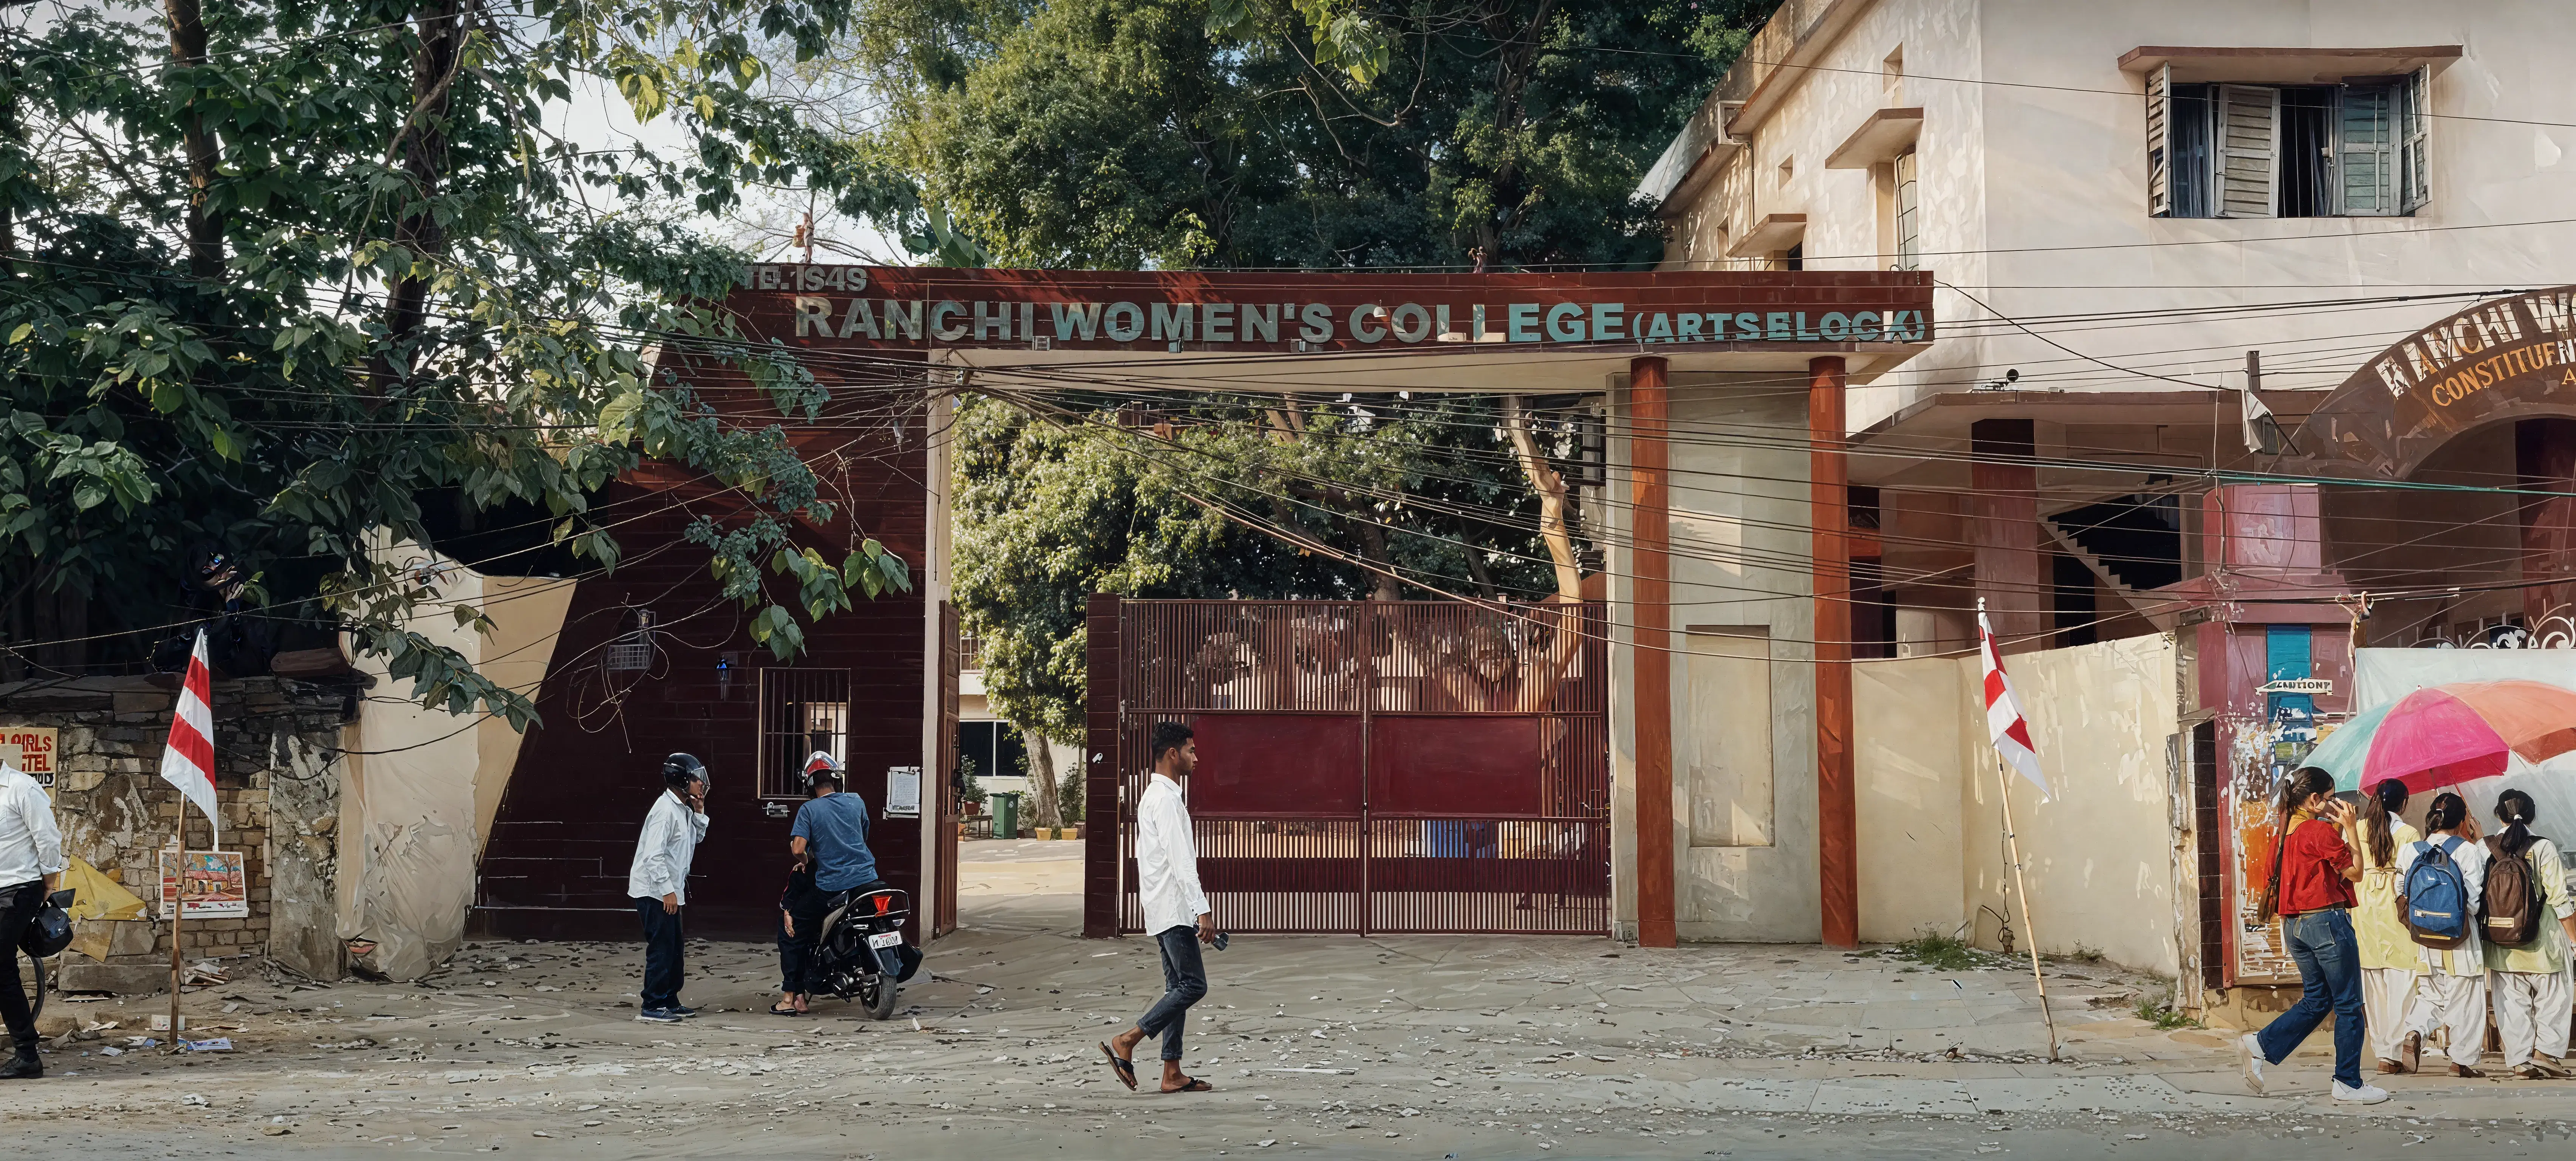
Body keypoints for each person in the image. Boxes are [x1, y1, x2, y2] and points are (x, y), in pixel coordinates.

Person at [2237, 767, 2387, 1103]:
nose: (2335, 804)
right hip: (2326, 923)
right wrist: (2350, 828)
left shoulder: (2280, 838)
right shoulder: (2319, 833)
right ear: (2316, 799)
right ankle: (2348, 1082)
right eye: (2331, 798)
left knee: (2318, 1000)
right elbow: (2357, 873)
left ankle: (2260, 1044)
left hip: (2294, 926)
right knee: (2349, 1005)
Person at [1101, 721, 1217, 1095]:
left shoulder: (1154, 795)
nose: (1196, 758)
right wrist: (1203, 910)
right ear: (1173, 754)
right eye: (1191, 751)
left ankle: (1172, 1073)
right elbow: (1181, 861)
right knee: (1193, 985)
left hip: (1161, 907)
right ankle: (1129, 1040)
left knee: (1176, 988)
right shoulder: (1166, 799)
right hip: (1174, 908)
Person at [2482, 789, 2576, 1079]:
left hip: (2501, 944)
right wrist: (2574, 938)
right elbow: (2561, 900)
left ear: (2498, 815)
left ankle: (2521, 1062)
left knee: (2511, 1002)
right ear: (2532, 816)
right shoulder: (2544, 847)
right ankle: (2546, 1053)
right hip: (2542, 940)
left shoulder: (2484, 848)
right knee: (2555, 996)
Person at [2396, 791, 2490, 1077]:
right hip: (2460, 940)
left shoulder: (2411, 850)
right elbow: (2473, 904)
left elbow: (2401, 892)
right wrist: (2480, 842)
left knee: (2431, 996)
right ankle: (2461, 1062)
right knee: (2467, 1000)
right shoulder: (2468, 851)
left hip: (2426, 938)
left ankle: (2414, 1032)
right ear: (2463, 821)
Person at [627, 753, 710, 1023]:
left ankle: (670, 999)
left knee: (675, 949)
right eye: (697, 778)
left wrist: (699, 812)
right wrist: (667, 891)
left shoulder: (682, 808)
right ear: (682, 780)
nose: (701, 784)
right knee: (662, 947)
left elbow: (694, 840)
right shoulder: (665, 811)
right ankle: (653, 1003)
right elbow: (653, 856)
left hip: (671, 889)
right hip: (655, 891)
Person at [0, 760, 64, 1081]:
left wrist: (49, 882)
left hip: (17, 888)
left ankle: (27, 1055)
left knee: (1, 965)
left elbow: (48, 838)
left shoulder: (21, 787)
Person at [2353, 779, 2422, 1074]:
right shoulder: (2408, 833)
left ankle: (2383, 1053)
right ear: (2403, 804)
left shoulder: (2357, 829)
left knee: (2372, 980)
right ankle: (2396, 1049)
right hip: (2394, 904)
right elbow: (2412, 874)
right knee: (2403, 980)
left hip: (2364, 904)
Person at [772, 760, 836, 1017]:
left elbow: (799, 850)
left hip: (828, 889)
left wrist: (804, 861)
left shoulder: (810, 810)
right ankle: (799, 995)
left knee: (790, 929)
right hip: (864, 879)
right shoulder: (856, 803)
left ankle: (791, 996)